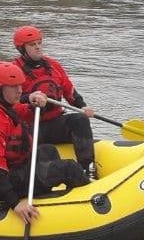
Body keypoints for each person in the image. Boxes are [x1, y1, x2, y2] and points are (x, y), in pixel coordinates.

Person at [0, 62, 87, 223]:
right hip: (1, 181)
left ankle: (50, 199)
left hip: (14, 169)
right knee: (70, 168)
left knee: (48, 150)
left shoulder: (5, 105)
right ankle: (90, 201)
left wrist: (36, 103)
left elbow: (26, 111)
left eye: (20, 86)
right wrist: (15, 203)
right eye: (13, 87)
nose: (20, 90)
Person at [11, 25, 98, 181]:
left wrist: (82, 106)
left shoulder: (53, 66)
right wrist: (30, 98)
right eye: (32, 45)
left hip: (54, 122)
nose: (38, 47)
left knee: (80, 120)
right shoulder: (13, 70)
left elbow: (69, 90)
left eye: (39, 43)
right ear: (22, 49)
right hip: (29, 125)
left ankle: (87, 168)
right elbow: (10, 101)